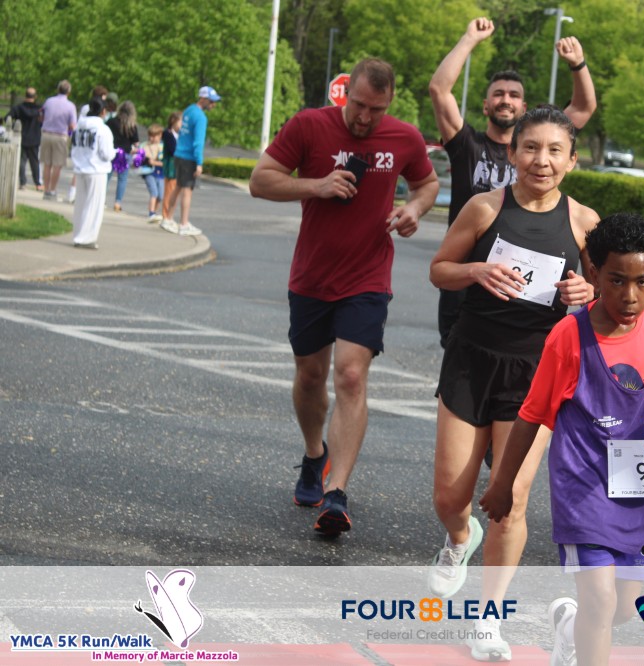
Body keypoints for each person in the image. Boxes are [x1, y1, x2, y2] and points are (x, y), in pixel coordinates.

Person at [427, 105, 598, 661]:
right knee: (450, 496)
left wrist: (589, 293)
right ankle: (459, 538)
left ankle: (487, 618)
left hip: (536, 374)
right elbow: (439, 269)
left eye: (554, 151)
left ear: (571, 161)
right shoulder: (485, 208)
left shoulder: (584, 222)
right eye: (531, 148)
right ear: (512, 153)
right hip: (471, 361)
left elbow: (612, 292)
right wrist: (475, 270)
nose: (541, 160)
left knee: (512, 499)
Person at [480, 211, 644, 666]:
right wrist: (503, 485)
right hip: (584, 489)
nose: (630, 295)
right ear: (593, 272)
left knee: (624, 609)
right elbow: (530, 416)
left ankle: (568, 628)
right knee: (600, 599)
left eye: (643, 281)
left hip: (639, 493)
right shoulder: (569, 338)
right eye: (616, 281)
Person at [248, 58, 439, 537]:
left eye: (377, 109)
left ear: (389, 103)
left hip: (367, 277)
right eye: (358, 105)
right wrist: (316, 185)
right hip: (312, 277)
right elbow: (260, 180)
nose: (365, 117)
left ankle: (336, 492)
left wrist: (414, 208)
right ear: (345, 94)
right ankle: (315, 454)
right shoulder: (309, 126)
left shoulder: (404, 138)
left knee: (351, 375)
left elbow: (427, 183)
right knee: (310, 375)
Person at [429, 16, 597, 349]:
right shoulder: (467, 145)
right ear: (486, 105)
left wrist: (578, 64)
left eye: (513, 95)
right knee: (464, 356)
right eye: (498, 94)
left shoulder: (547, 146)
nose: (505, 99)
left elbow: (583, 107)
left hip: (533, 316)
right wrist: (469, 39)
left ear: (524, 106)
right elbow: (439, 90)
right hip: (468, 286)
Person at [162, 86, 220, 236]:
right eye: (212, 101)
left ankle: (168, 219)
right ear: (204, 99)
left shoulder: (188, 110)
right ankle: (184, 224)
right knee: (187, 190)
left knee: (177, 187)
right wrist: (199, 162)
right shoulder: (201, 117)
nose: (213, 104)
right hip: (189, 157)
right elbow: (198, 142)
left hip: (179, 153)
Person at [70, 97, 116, 249]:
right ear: (103, 111)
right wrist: (116, 153)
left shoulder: (79, 127)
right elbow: (106, 154)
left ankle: (78, 234)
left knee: (81, 204)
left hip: (80, 168)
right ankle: (87, 238)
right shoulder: (103, 129)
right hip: (97, 170)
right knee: (94, 205)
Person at [68, 85, 108, 203]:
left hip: (89, 139)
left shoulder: (90, 107)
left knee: (82, 168)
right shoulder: (88, 108)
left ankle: (75, 194)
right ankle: (73, 193)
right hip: (88, 140)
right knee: (81, 168)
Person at [39, 80, 76, 200]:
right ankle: (52, 190)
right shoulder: (70, 106)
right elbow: (72, 125)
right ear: (68, 92)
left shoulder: (49, 101)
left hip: (46, 134)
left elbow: (41, 115)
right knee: (57, 165)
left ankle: (46, 190)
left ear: (57, 89)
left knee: (47, 164)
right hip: (60, 136)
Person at [4, 87, 43, 190]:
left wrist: (13, 126)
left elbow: (7, 118)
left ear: (25, 95)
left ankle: (23, 183)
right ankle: (38, 183)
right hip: (34, 137)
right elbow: (43, 121)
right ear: (35, 96)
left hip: (21, 137)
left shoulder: (18, 108)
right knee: (34, 162)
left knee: (22, 161)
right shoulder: (39, 109)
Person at [106, 100, 140, 212]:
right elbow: (136, 143)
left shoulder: (111, 122)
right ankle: (117, 202)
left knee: (107, 177)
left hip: (112, 152)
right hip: (125, 154)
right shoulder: (132, 125)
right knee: (122, 179)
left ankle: (102, 199)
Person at [140, 123, 165, 222]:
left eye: (154, 136)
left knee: (160, 195)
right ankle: (151, 213)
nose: (152, 138)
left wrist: (155, 162)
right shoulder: (145, 145)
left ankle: (154, 211)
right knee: (154, 192)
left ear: (160, 135)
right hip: (149, 172)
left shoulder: (163, 146)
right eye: (150, 136)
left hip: (160, 173)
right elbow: (140, 159)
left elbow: (164, 161)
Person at [160, 111, 182, 223]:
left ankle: (169, 215)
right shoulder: (168, 134)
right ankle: (166, 215)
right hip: (171, 167)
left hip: (178, 167)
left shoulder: (180, 135)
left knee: (174, 192)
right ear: (174, 121)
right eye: (181, 122)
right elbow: (172, 150)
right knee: (169, 192)